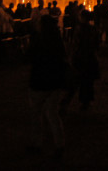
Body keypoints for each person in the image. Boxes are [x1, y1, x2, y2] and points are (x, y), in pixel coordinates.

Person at [27, 15, 69, 159]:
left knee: (36, 114)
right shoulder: (58, 42)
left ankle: (36, 143)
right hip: (55, 82)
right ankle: (59, 144)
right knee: (53, 114)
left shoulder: (39, 40)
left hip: (39, 81)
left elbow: (30, 57)